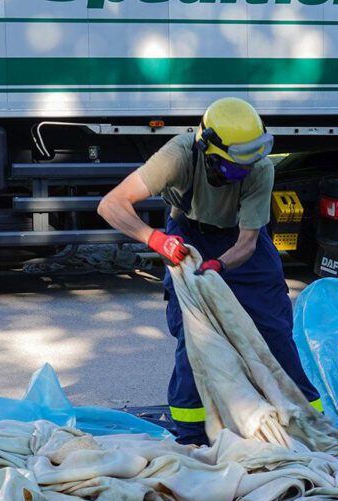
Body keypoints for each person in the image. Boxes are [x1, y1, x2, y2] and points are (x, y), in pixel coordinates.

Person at [98, 97, 321, 445]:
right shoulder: (179, 155)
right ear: (208, 151)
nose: (243, 173)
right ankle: (191, 435)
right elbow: (111, 204)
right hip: (187, 233)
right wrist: (156, 240)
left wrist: (218, 266)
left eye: (249, 165)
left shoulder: (259, 167)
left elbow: (247, 244)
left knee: (273, 332)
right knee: (195, 337)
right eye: (234, 168)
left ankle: (309, 422)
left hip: (241, 241)